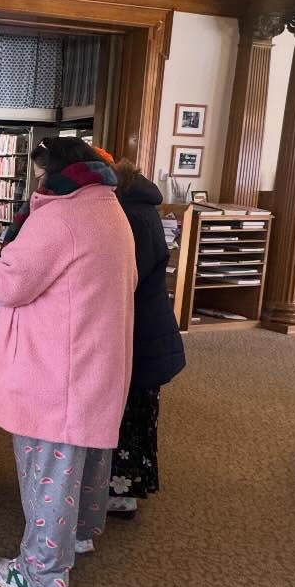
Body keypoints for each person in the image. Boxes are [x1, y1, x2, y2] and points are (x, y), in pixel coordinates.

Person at [0, 137, 136, 587]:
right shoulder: (109, 209)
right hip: (94, 360)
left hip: (55, 369)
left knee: (49, 470)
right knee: (82, 459)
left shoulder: (60, 216)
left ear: (56, 172)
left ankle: (42, 577)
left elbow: (9, 283)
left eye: (39, 173)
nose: (36, 182)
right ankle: (76, 535)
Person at [108, 159, 186, 517]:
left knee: (130, 412)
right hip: (146, 327)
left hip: (139, 331)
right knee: (136, 411)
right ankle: (123, 486)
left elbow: (126, 276)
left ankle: (121, 491)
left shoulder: (129, 217)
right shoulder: (141, 209)